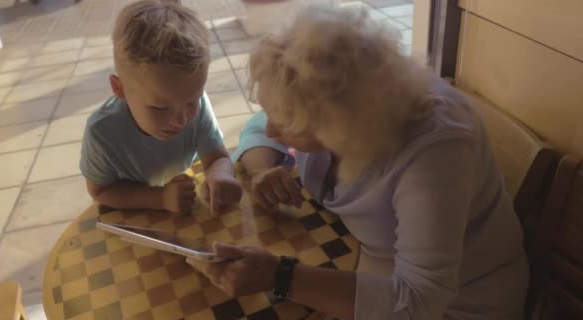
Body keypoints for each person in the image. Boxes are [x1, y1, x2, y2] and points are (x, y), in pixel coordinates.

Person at [186, 6, 529, 320]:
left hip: (462, 302)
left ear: (342, 125)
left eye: (287, 122)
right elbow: (259, 125)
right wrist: (263, 170)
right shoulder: (333, 99)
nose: (273, 130)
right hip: (368, 265)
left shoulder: (436, 153)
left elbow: (418, 303)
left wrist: (280, 275)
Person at [80, 0, 242, 215]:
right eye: (160, 108)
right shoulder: (101, 133)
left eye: (191, 101)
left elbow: (218, 158)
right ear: (119, 89)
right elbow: (100, 191)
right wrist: (159, 198)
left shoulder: (197, 104)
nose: (181, 119)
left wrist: (221, 175)